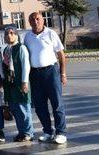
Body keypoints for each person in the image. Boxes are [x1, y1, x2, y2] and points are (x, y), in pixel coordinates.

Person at [24, 11, 67, 144]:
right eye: (32, 20)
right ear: (29, 22)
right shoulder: (27, 36)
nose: (35, 21)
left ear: (43, 20)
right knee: (40, 106)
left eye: (38, 19)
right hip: (35, 74)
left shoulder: (51, 33)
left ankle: (61, 133)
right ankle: (48, 131)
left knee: (57, 103)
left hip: (51, 72)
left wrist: (63, 73)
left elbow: (61, 54)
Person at [2, 26, 34, 142]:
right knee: (15, 109)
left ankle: (28, 133)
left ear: (16, 35)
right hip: (10, 84)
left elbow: (26, 65)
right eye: (6, 34)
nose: (9, 35)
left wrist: (25, 82)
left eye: (11, 33)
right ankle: (21, 132)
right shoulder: (6, 49)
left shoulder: (21, 48)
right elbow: (5, 66)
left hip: (20, 83)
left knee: (24, 109)